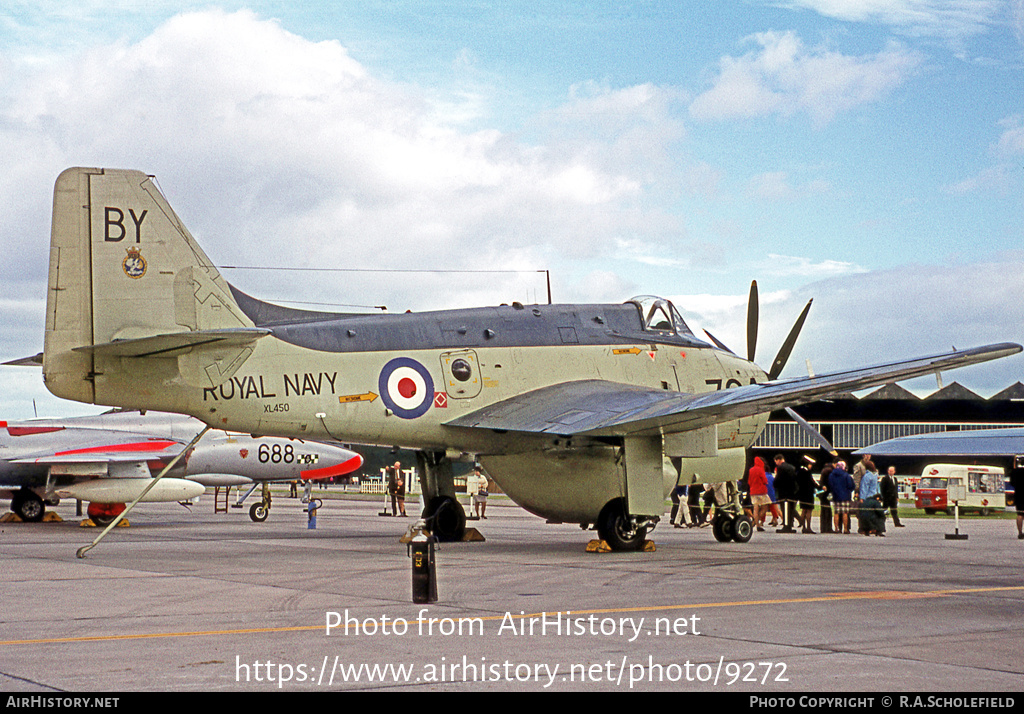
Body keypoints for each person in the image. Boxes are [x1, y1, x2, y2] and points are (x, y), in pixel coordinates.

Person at [858, 460, 885, 536]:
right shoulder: (875, 475)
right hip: (875, 495)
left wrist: (862, 498)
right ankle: (875, 528)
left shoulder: (867, 476)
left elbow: (864, 488)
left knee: (867, 514)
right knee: (875, 514)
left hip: (868, 497)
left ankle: (867, 528)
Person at [828, 461, 855, 534]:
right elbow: (851, 485)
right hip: (845, 496)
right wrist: (848, 491)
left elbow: (830, 485)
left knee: (836, 513)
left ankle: (836, 529)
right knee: (845, 513)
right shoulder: (846, 475)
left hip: (835, 496)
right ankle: (845, 529)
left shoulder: (831, 475)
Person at [773, 454, 798, 533]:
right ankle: (790, 524)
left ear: (779, 460)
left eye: (776, 461)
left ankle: (786, 526)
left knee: (784, 509)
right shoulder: (792, 467)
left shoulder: (780, 468)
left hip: (783, 492)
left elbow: (777, 480)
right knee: (791, 509)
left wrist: (775, 484)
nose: (776, 463)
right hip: (792, 492)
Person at [796, 456, 817, 534]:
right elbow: (812, 482)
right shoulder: (807, 472)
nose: (811, 466)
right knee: (809, 510)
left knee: (803, 510)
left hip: (802, 493)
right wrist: (820, 487)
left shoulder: (799, 471)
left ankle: (803, 526)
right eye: (810, 464)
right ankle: (808, 527)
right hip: (808, 493)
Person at [748, 457, 770, 531]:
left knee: (755, 509)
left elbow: (749, 482)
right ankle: (756, 521)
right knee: (765, 506)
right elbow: (764, 480)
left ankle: (756, 524)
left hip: (753, 491)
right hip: (761, 491)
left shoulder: (751, 470)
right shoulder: (761, 469)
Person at [1009, 460, 1024, 540]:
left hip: (1019, 494)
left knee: (1020, 514)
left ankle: (1020, 532)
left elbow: (1012, 483)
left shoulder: (1015, 472)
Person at [818, 462, 834, 533]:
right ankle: (828, 528)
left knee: (823, 511)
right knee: (827, 511)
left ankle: (823, 528)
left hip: (822, 494)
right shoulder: (829, 472)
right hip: (826, 494)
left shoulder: (824, 471)